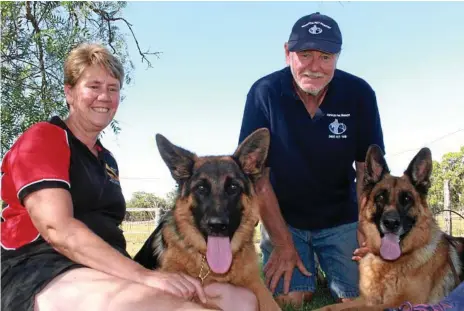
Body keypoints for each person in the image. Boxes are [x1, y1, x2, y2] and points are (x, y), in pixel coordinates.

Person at [1, 43, 258, 311]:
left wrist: (139, 273)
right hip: (40, 268)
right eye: (94, 86)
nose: (104, 96)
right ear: (69, 92)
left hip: (105, 268)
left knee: (241, 301)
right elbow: (57, 229)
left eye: (113, 89)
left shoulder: (106, 160)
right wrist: (143, 276)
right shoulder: (45, 137)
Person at [238, 12, 385, 308]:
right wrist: (282, 242)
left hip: (341, 218)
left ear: (338, 57)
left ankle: (332, 263)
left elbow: (366, 170)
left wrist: (364, 224)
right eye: (304, 54)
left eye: (326, 56)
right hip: (285, 219)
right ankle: (304, 263)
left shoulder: (360, 93)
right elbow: (256, 177)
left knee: (359, 298)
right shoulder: (263, 93)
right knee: (290, 299)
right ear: (287, 53)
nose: (314, 67)